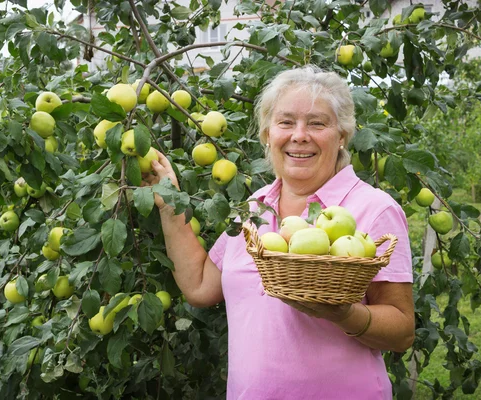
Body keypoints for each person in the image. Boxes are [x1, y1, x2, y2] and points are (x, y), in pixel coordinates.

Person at [143, 65, 414, 399]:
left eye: (317, 123)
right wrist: (169, 202)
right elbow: (200, 286)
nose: (299, 135)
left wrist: (346, 315)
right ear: (267, 134)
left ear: (342, 135)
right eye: (286, 122)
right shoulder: (253, 209)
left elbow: (401, 331)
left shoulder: (373, 209)